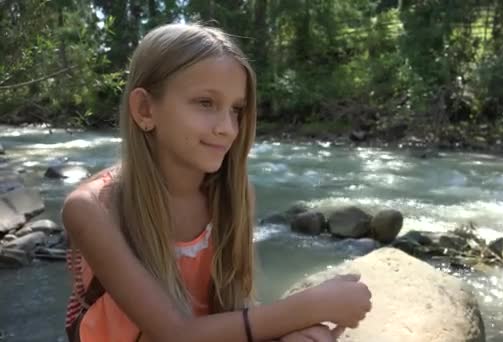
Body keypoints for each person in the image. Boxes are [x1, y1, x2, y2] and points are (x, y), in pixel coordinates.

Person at [62, 23, 372, 342]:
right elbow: (174, 334)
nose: (227, 128)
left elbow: (237, 308)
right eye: (205, 103)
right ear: (144, 109)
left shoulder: (234, 196)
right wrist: (312, 306)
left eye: (236, 109)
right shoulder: (92, 208)